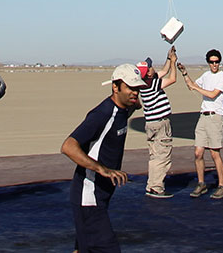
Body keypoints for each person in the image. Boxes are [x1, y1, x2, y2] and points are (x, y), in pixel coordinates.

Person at [61, 63, 147, 252]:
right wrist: (102, 169)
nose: (135, 93)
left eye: (137, 88)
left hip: (100, 194)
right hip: (89, 196)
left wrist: (144, 81)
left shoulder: (124, 109)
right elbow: (68, 146)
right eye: (130, 88)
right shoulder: (102, 114)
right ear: (115, 87)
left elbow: (137, 104)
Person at [181, 48, 223, 198]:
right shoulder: (205, 75)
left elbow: (212, 94)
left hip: (215, 117)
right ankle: (201, 183)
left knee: (215, 153)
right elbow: (191, 86)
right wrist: (184, 73)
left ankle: (222, 186)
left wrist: (197, 87)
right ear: (208, 63)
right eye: (212, 62)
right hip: (203, 116)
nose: (214, 65)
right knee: (198, 152)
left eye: (216, 62)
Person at [137, 47, 179, 197]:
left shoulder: (144, 83)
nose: (152, 67)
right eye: (150, 67)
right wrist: (173, 63)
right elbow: (172, 78)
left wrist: (169, 58)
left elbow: (163, 71)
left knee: (155, 156)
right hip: (160, 123)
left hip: (150, 124)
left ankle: (152, 185)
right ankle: (156, 187)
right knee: (162, 156)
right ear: (148, 72)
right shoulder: (153, 84)